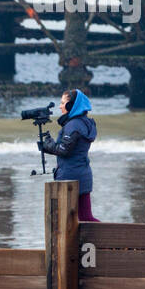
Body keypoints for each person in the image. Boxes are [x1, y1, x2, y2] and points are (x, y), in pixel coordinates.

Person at [40, 88, 99, 222]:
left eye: (62, 103)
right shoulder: (85, 122)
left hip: (69, 178)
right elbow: (69, 149)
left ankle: (111, 237)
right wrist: (50, 145)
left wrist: (48, 145)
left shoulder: (73, 125)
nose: (60, 106)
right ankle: (112, 238)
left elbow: (64, 150)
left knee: (63, 219)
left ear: (71, 105)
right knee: (85, 217)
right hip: (83, 175)